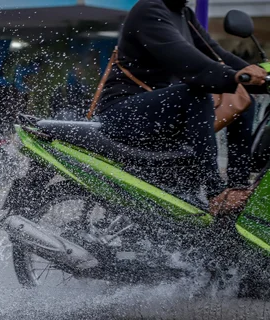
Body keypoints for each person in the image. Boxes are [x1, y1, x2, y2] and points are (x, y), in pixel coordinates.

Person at [96, 0, 267, 215]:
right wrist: (232, 76)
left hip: (160, 114)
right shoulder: (149, 9)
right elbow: (185, 58)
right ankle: (216, 193)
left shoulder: (184, 13)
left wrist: (261, 77)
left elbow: (216, 53)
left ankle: (237, 189)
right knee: (194, 93)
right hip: (123, 113)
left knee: (242, 98)